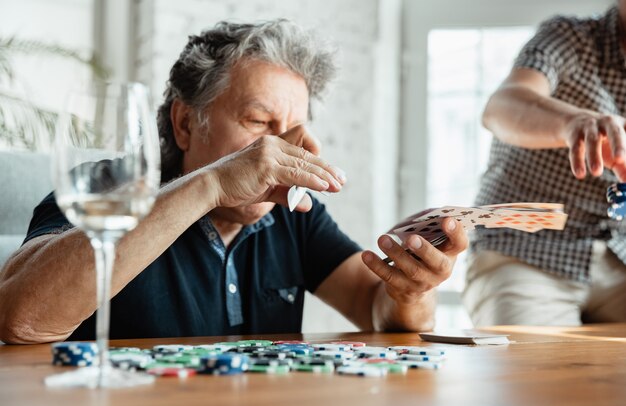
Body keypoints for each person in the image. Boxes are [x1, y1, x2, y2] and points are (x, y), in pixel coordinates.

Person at [0, 20, 468, 344]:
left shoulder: (292, 214)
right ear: (185, 124)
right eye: (259, 121)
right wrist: (210, 186)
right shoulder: (105, 187)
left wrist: (410, 292)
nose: (283, 146)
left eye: (293, 126)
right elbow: (19, 320)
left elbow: (375, 310)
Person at [464, 3, 626, 326]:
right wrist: (571, 123)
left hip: (619, 257)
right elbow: (501, 106)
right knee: (534, 366)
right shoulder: (570, 37)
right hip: (524, 249)